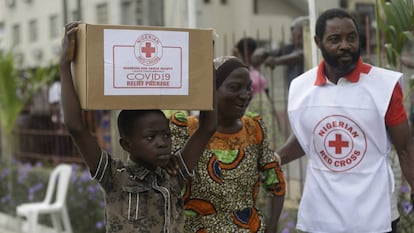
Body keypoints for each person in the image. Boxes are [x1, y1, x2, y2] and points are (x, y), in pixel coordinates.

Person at [60, 21, 217, 232]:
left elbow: (208, 127)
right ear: (127, 144)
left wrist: (205, 66)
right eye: (150, 138)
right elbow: (76, 127)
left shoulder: (173, 172)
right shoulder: (114, 175)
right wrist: (64, 64)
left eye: (166, 135)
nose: (162, 143)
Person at [276, 8, 414, 233]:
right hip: (321, 214)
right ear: (318, 42)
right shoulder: (301, 87)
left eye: (352, 38)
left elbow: (406, 148)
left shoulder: (384, 86)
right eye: (334, 39)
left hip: (375, 214)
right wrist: (276, 158)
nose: (345, 45)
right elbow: (307, 138)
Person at [170, 56, 285, 232]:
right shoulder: (185, 129)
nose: (245, 95)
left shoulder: (254, 129)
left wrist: (272, 227)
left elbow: (276, 183)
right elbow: (171, 181)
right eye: (234, 87)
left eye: (248, 88)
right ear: (211, 90)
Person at [264, 16, 309, 89]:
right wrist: (263, 54)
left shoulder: (312, 49)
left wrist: (276, 61)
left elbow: (299, 56)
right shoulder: (290, 48)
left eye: (300, 37)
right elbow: (272, 53)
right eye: (294, 37)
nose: (297, 41)